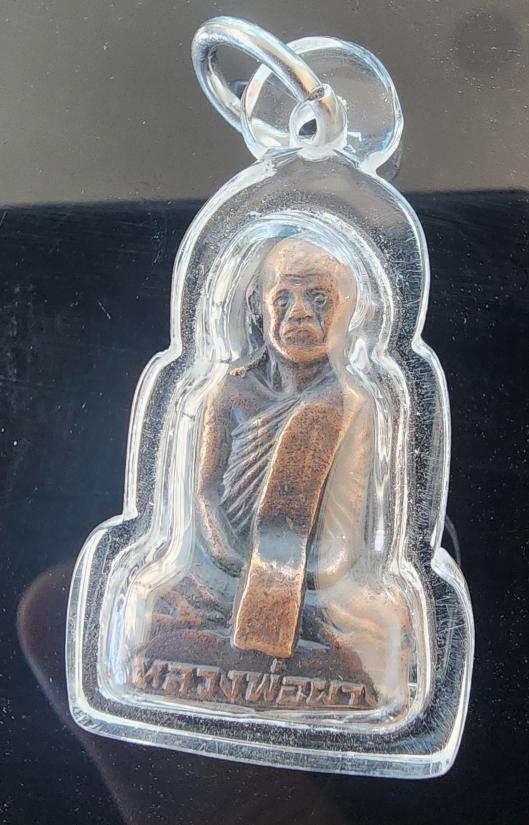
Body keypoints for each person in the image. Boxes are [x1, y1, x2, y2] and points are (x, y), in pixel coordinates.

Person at [140, 236, 410, 705]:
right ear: (257, 308)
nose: (300, 314)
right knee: (154, 600)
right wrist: (240, 567)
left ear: (348, 312)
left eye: (319, 299)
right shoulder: (229, 392)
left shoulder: (351, 404)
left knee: (383, 621)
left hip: (312, 582)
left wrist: (286, 580)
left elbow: (345, 535)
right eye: (283, 298)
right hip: (223, 573)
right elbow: (204, 497)